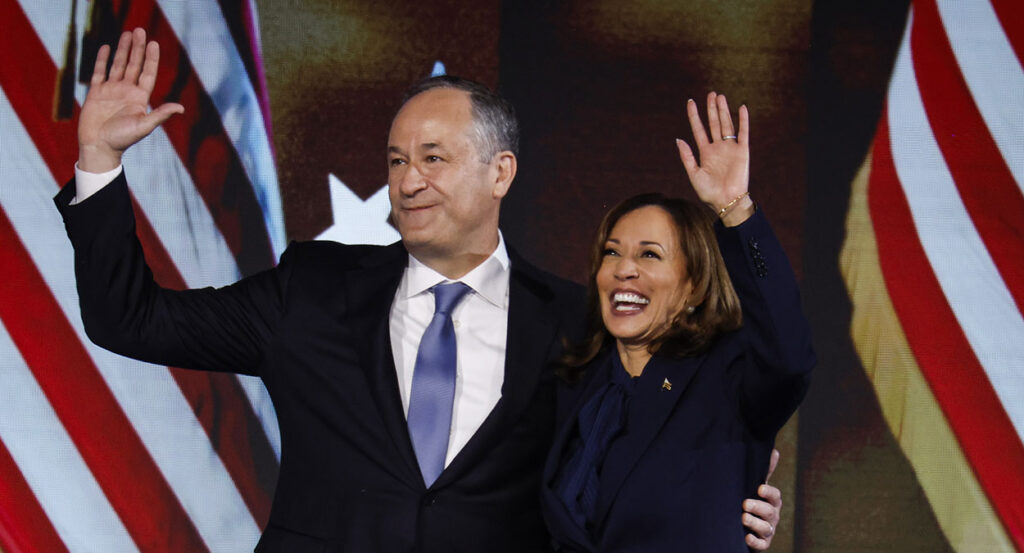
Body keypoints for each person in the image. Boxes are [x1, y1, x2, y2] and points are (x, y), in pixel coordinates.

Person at [56, 28, 782, 552]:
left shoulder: (578, 322)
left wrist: (738, 501)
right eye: (397, 159)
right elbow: (130, 318)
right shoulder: (310, 291)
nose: (407, 179)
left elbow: (662, 450)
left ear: (500, 172)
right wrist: (97, 160)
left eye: (434, 157)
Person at [540, 93, 814, 552]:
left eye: (650, 254)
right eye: (612, 252)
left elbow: (789, 353)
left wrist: (736, 209)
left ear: (693, 286)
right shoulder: (575, 384)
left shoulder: (726, 382)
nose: (624, 269)